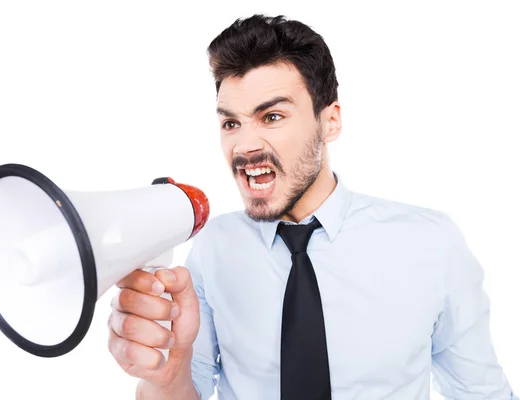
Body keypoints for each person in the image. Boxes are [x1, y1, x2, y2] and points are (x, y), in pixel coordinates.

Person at [107, 14, 518, 400]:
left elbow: (480, 392)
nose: (245, 145)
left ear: (330, 122)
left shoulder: (431, 243)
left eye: (271, 117)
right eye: (231, 123)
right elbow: (184, 389)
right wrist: (165, 373)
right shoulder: (213, 248)